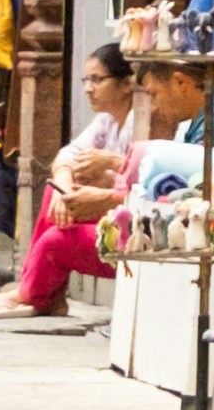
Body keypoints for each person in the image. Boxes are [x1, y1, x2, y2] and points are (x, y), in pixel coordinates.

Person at [10, 38, 141, 319]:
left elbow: (144, 178)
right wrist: (63, 189)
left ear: (127, 84)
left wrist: (111, 164)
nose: (88, 89)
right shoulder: (107, 120)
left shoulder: (141, 122)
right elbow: (66, 155)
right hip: (108, 211)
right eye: (86, 80)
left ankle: (36, 294)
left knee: (54, 240)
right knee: (51, 193)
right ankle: (37, 291)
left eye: (98, 80)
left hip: (130, 228)